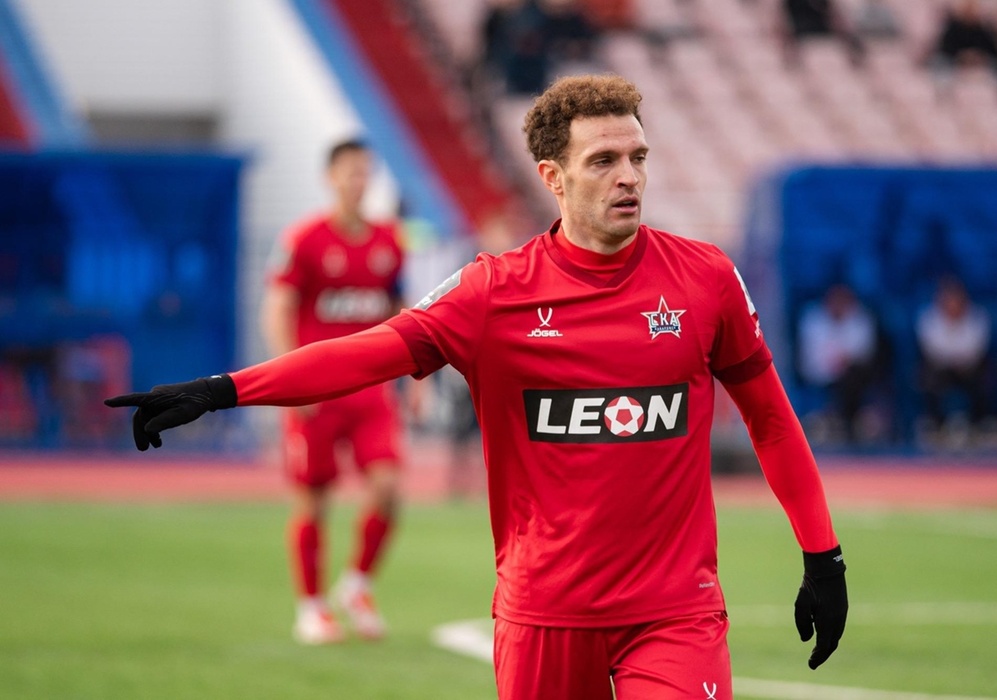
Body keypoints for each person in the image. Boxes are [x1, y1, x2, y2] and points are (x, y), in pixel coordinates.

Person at [106, 75, 848, 699]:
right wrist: (224, 389)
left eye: (637, 157)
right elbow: (367, 353)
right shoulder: (493, 292)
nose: (628, 176)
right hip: (543, 614)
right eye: (603, 161)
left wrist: (823, 556)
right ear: (552, 178)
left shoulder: (705, 279)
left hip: (675, 612)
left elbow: (771, 421)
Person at [259, 138, 405, 645]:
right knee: (314, 500)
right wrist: (291, 380)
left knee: (388, 489)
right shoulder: (304, 239)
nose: (358, 181)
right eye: (350, 172)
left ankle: (356, 586)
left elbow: (402, 311)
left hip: (370, 391)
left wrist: (417, 375)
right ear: (330, 178)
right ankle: (311, 607)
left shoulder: (389, 241)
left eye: (365, 172)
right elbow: (277, 308)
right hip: (316, 392)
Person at [796, 283, 881, 443]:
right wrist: (837, 362)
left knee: (855, 376)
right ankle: (843, 422)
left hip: (851, 375)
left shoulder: (860, 319)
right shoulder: (813, 320)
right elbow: (811, 358)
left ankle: (850, 424)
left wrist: (843, 360)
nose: (838, 305)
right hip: (819, 373)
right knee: (847, 379)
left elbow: (864, 353)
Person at [915, 276, 991, 439]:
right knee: (928, 375)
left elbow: (976, 348)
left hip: (969, 367)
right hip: (940, 367)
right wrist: (952, 358)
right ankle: (935, 424)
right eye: (949, 300)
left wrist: (960, 359)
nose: (953, 304)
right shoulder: (928, 317)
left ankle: (977, 424)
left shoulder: (978, 317)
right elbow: (931, 349)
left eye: (956, 300)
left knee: (984, 374)